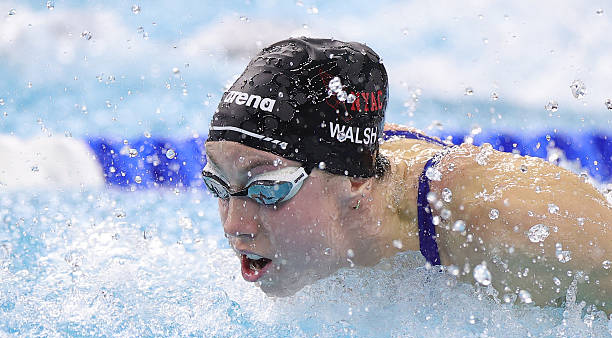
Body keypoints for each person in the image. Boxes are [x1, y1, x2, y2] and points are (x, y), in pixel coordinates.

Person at [203, 37, 611, 313]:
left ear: (355, 182)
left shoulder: (502, 220)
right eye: (217, 184)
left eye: (268, 190)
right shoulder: (326, 211)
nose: (235, 225)